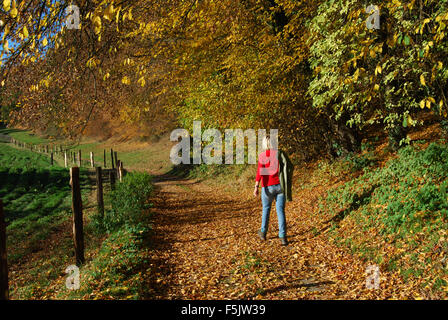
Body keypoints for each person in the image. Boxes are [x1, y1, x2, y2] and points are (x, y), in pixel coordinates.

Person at [253, 135, 293, 246]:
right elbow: (288, 166)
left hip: (267, 187)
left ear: (265, 144)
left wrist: (256, 186)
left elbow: (260, 172)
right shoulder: (280, 154)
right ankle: (283, 237)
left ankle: (263, 232)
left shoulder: (262, 156)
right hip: (280, 187)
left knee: (266, 209)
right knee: (280, 211)